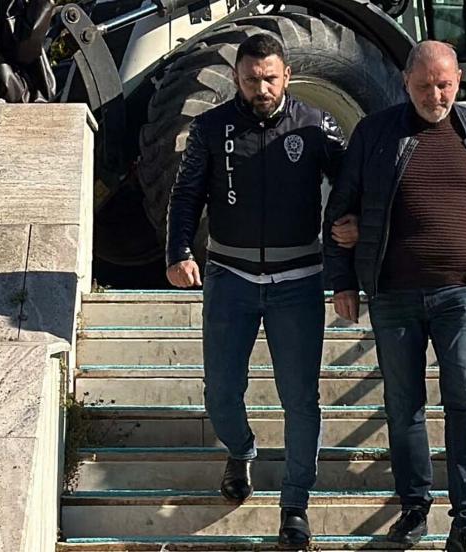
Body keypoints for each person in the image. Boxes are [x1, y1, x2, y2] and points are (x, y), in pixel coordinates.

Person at [323, 40, 466, 552]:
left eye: (444, 85)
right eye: (424, 86)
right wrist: (343, 281)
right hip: (394, 294)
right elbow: (341, 211)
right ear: (406, 82)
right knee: (404, 407)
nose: (435, 96)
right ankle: (414, 508)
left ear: (458, 82)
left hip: (462, 292)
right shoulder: (375, 133)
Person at [165, 33, 354, 546]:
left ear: (287, 75)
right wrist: (179, 252)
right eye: (251, 80)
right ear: (237, 78)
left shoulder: (316, 125)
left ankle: (295, 505)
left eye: (270, 78)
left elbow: (352, 183)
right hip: (231, 278)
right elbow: (186, 195)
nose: (262, 88)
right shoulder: (210, 128)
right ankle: (241, 449)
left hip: (299, 281)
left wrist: (351, 230)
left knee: (301, 399)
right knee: (221, 392)